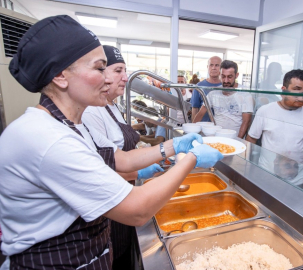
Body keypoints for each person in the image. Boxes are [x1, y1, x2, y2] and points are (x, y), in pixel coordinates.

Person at [0, 15, 223, 270]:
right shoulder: (46, 138)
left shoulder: (71, 124)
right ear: (61, 77)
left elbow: (121, 159)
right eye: (99, 69)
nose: (108, 79)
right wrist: (192, 159)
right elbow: (137, 210)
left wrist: (175, 146)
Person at [82, 45, 162, 269]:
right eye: (118, 70)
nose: (125, 78)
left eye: (125, 71)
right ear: (101, 74)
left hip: (124, 189)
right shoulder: (90, 111)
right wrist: (143, 169)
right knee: (117, 258)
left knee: (123, 253)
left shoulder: (111, 106)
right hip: (112, 202)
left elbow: (119, 153)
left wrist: (159, 152)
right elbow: (105, 167)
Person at [246, 69, 303, 184]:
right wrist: (247, 168)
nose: (301, 98)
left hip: (297, 180)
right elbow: (251, 140)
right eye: (296, 90)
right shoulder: (265, 111)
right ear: (283, 90)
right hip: (267, 175)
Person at [193, 60, 254, 138]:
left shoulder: (245, 94)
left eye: (229, 77)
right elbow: (200, 114)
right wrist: (192, 132)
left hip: (235, 138)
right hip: (216, 137)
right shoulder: (213, 93)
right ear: (219, 74)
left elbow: (246, 121)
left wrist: (238, 140)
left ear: (236, 75)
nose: (226, 80)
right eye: (223, 76)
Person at [191, 56, 222, 122]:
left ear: (221, 68)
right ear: (207, 67)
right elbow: (195, 108)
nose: (213, 68)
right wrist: (194, 127)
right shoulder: (199, 86)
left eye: (217, 65)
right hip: (203, 128)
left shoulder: (226, 86)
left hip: (221, 128)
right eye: (211, 65)